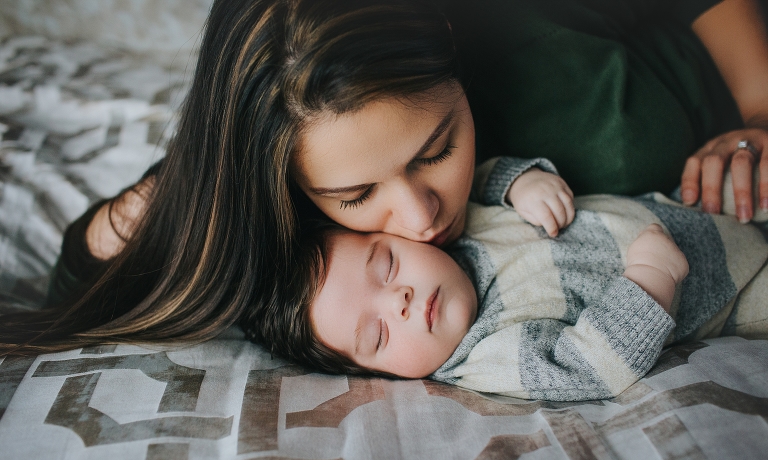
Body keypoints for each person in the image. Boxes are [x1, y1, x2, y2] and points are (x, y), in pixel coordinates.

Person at [2, 0, 768, 355]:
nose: (421, 217)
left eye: (437, 148)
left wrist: (760, 112)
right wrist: (148, 209)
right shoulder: (284, 199)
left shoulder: (517, 28)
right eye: (355, 197)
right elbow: (80, 286)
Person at [294, 157, 768, 401]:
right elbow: (590, 366)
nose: (399, 300)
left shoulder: (454, 230)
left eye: (388, 265)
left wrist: (519, 182)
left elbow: (473, 177)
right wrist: (650, 278)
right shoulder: (486, 355)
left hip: (681, 206)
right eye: (378, 335)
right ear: (380, 374)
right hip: (733, 290)